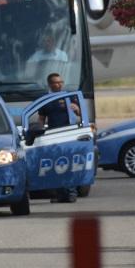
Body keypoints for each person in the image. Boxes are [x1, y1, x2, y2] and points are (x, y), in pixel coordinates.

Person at [37, 73, 80, 203]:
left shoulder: (69, 97)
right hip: (54, 136)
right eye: (56, 82)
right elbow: (41, 119)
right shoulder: (46, 100)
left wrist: (76, 109)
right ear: (50, 84)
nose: (59, 84)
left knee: (69, 165)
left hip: (69, 135)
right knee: (56, 167)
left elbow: (81, 114)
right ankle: (60, 195)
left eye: (61, 82)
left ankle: (71, 194)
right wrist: (39, 134)